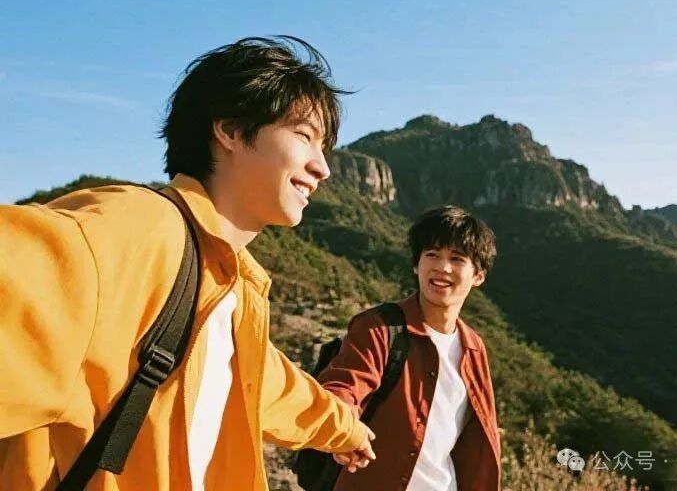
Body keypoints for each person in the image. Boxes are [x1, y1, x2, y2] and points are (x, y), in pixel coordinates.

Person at [0, 36, 375, 491]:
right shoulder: (136, 231)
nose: (323, 167)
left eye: (324, 147)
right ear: (231, 130)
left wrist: (348, 431)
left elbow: (270, 385)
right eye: (304, 136)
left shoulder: (234, 286)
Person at [316, 205, 502, 490]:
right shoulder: (380, 328)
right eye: (432, 255)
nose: (442, 267)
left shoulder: (473, 347)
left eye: (457, 258)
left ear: (478, 275)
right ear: (417, 265)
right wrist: (341, 429)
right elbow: (344, 385)